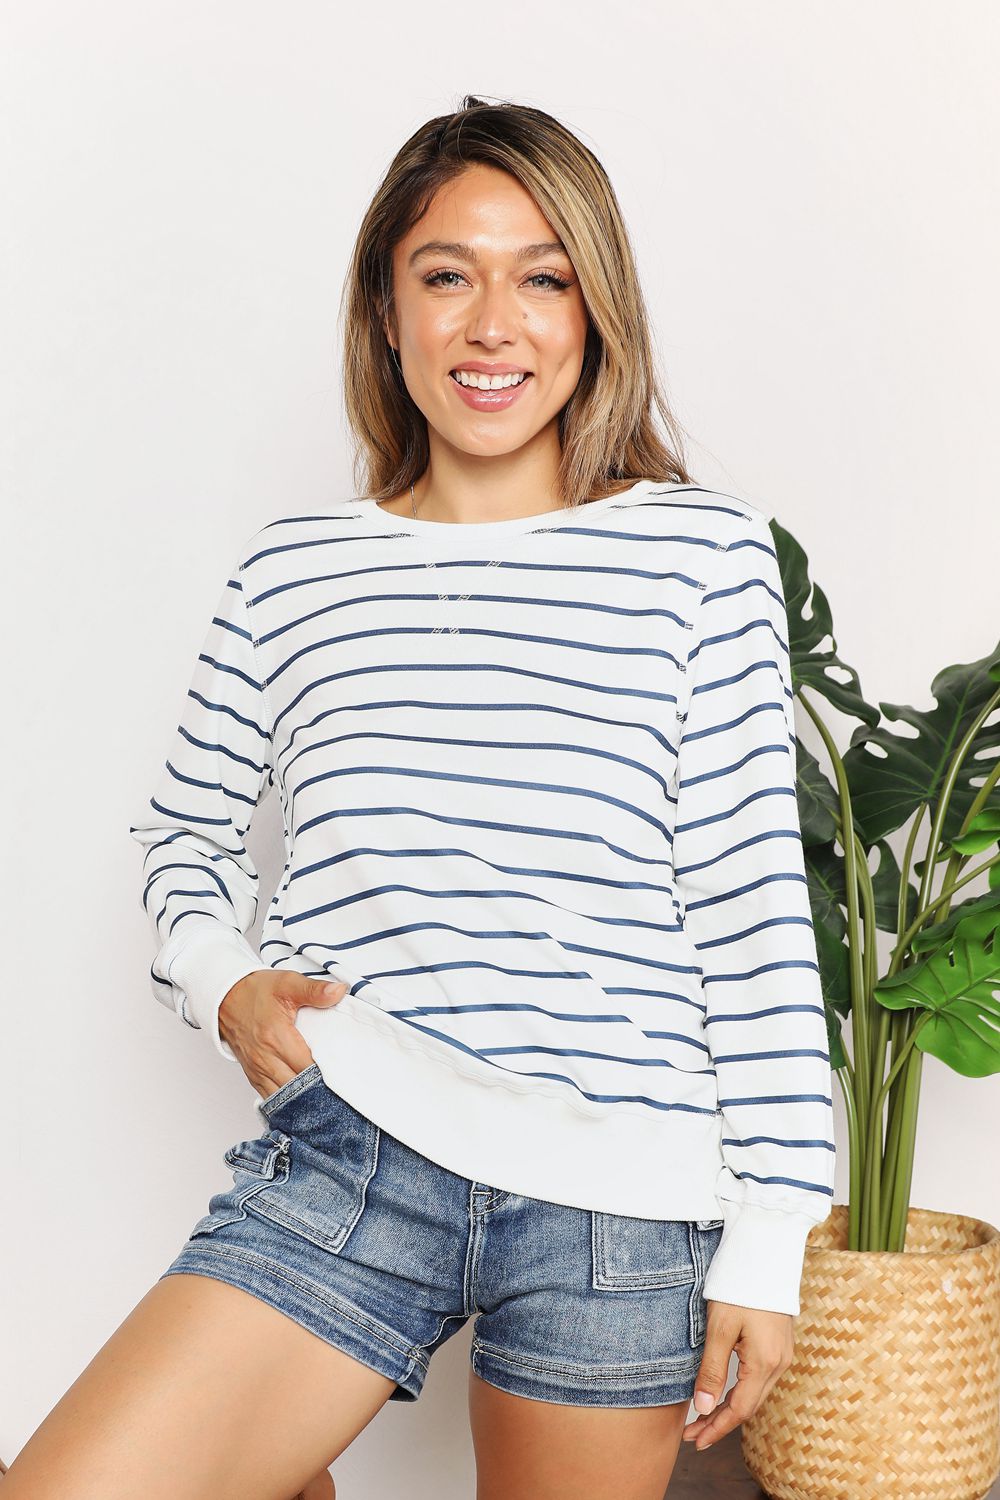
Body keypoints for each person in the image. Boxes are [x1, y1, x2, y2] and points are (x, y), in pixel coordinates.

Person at [6, 95, 835, 1500]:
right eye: (448, 274)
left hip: (616, 1203)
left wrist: (770, 1245)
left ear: (597, 313)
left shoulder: (699, 556)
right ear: (388, 314)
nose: (492, 322)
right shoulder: (294, 572)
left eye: (543, 277)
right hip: (355, 1154)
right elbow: (181, 836)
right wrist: (222, 981)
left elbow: (751, 907)